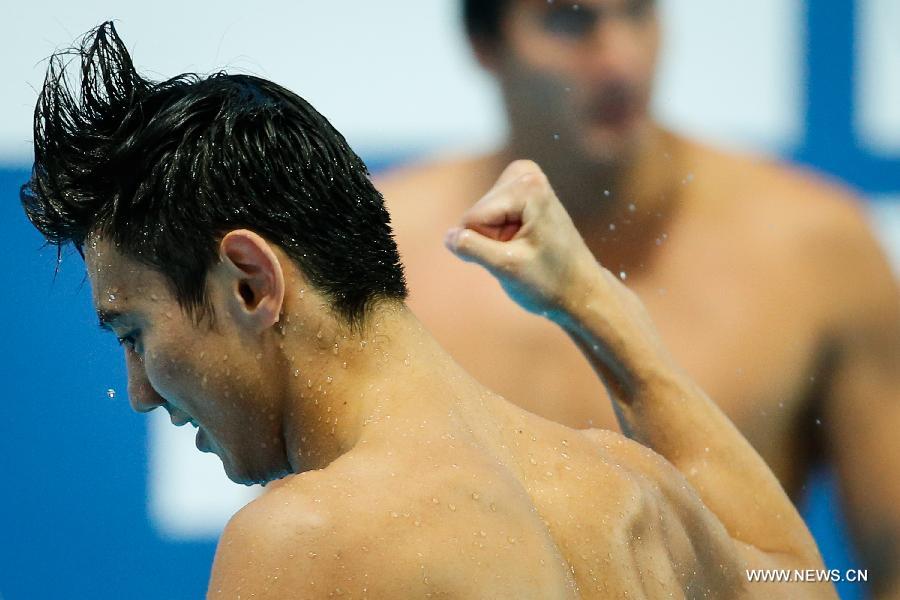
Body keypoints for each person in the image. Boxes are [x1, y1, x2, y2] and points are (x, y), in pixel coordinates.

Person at [22, 23, 835, 598]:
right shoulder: (633, 497)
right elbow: (798, 579)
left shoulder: (308, 543)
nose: (139, 391)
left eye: (134, 332)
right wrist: (600, 307)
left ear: (249, 283)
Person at [378, 1, 900, 595]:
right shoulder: (382, 255)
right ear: (485, 44)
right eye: (570, 22)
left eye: (638, 12)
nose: (621, 60)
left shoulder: (815, 249)